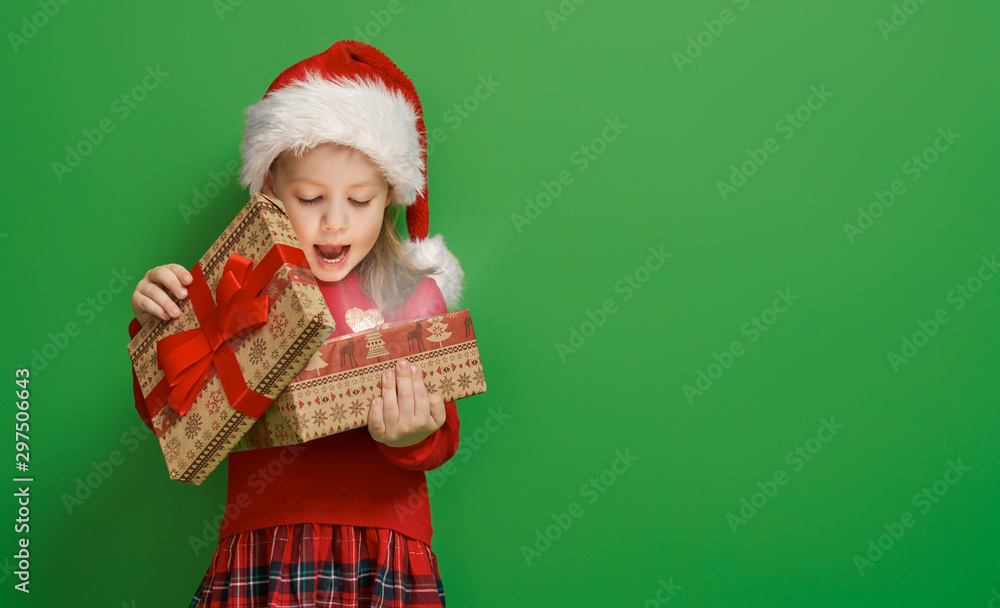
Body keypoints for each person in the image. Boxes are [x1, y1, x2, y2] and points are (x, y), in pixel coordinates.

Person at [127, 40, 465, 607]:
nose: (334, 222)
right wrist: (163, 323)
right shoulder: (238, 286)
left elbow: (442, 435)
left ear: (389, 200)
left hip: (380, 546)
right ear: (271, 194)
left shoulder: (412, 296)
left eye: (359, 201)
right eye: (310, 197)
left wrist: (413, 436)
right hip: (264, 544)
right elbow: (170, 415)